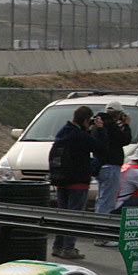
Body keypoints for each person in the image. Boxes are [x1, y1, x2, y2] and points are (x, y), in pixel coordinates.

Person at [49, 105, 106, 260]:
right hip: (78, 180)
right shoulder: (80, 135)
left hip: (61, 179)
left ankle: (58, 245)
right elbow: (100, 147)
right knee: (74, 216)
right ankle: (69, 248)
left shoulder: (63, 131)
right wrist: (100, 129)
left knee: (62, 214)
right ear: (87, 120)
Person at [92, 100, 132, 246]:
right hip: (111, 168)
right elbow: (125, 139)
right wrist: (126, 125)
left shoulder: (99, 123)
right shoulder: (110, 126)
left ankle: (99, 232)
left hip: (101, 166)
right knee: (107, 203)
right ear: (119, 114)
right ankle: (102, 236)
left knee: (101, 200)